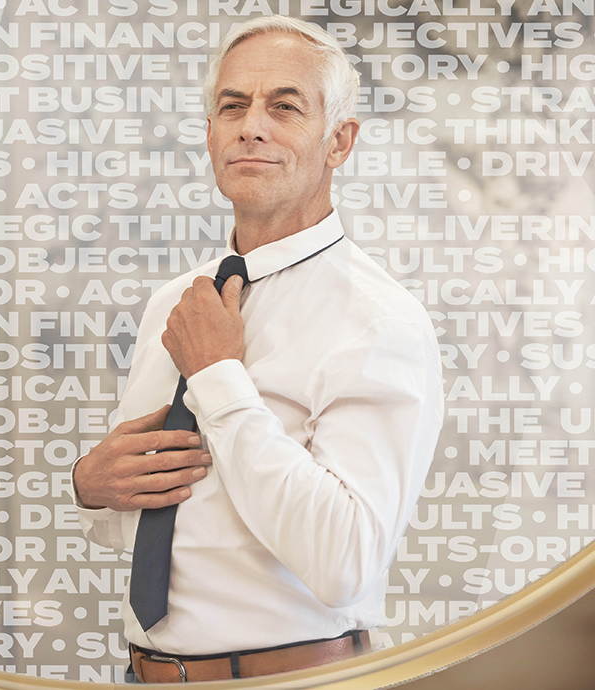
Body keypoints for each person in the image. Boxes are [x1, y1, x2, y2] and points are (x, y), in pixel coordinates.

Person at [71, 15, 444, 683]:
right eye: (232, 105)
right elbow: (161, 530)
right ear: (211, 135)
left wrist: (217, 375)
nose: (251, 125)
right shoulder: (177, 304)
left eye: (285, 106)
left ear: (340, 142)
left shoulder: (379, 320)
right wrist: (94, 489)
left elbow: (344, 563)